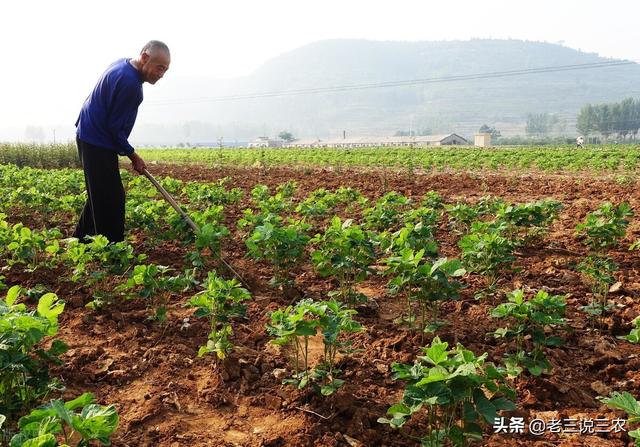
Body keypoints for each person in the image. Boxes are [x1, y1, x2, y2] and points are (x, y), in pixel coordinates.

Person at [73, 40, 170, 242]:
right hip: (97, 140)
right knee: (112, 198)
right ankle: (111, 247)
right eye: (159, 67)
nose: (161, 75)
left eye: (165, 70)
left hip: (89, 134)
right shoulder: (131, 85)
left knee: (100, 193)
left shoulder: (122, 64)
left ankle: (80, 239)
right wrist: (134, 156)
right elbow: (115, 130)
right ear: (144, 57)